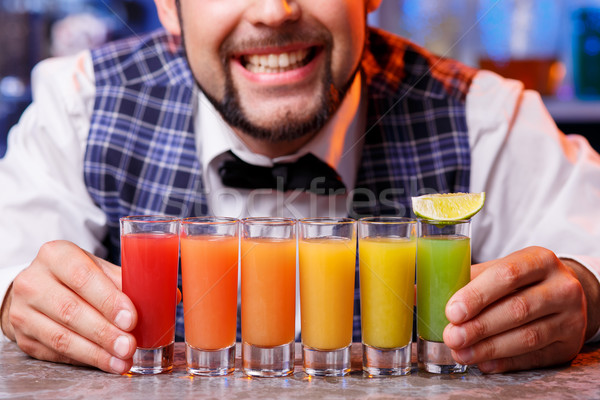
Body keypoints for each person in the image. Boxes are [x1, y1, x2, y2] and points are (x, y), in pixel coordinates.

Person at [1, 0, 599, 376]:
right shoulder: (81, 103)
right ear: (167, 7)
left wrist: (585, 295)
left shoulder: (488, 116)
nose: (275, 10)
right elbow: (9, 259)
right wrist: (14, 299)